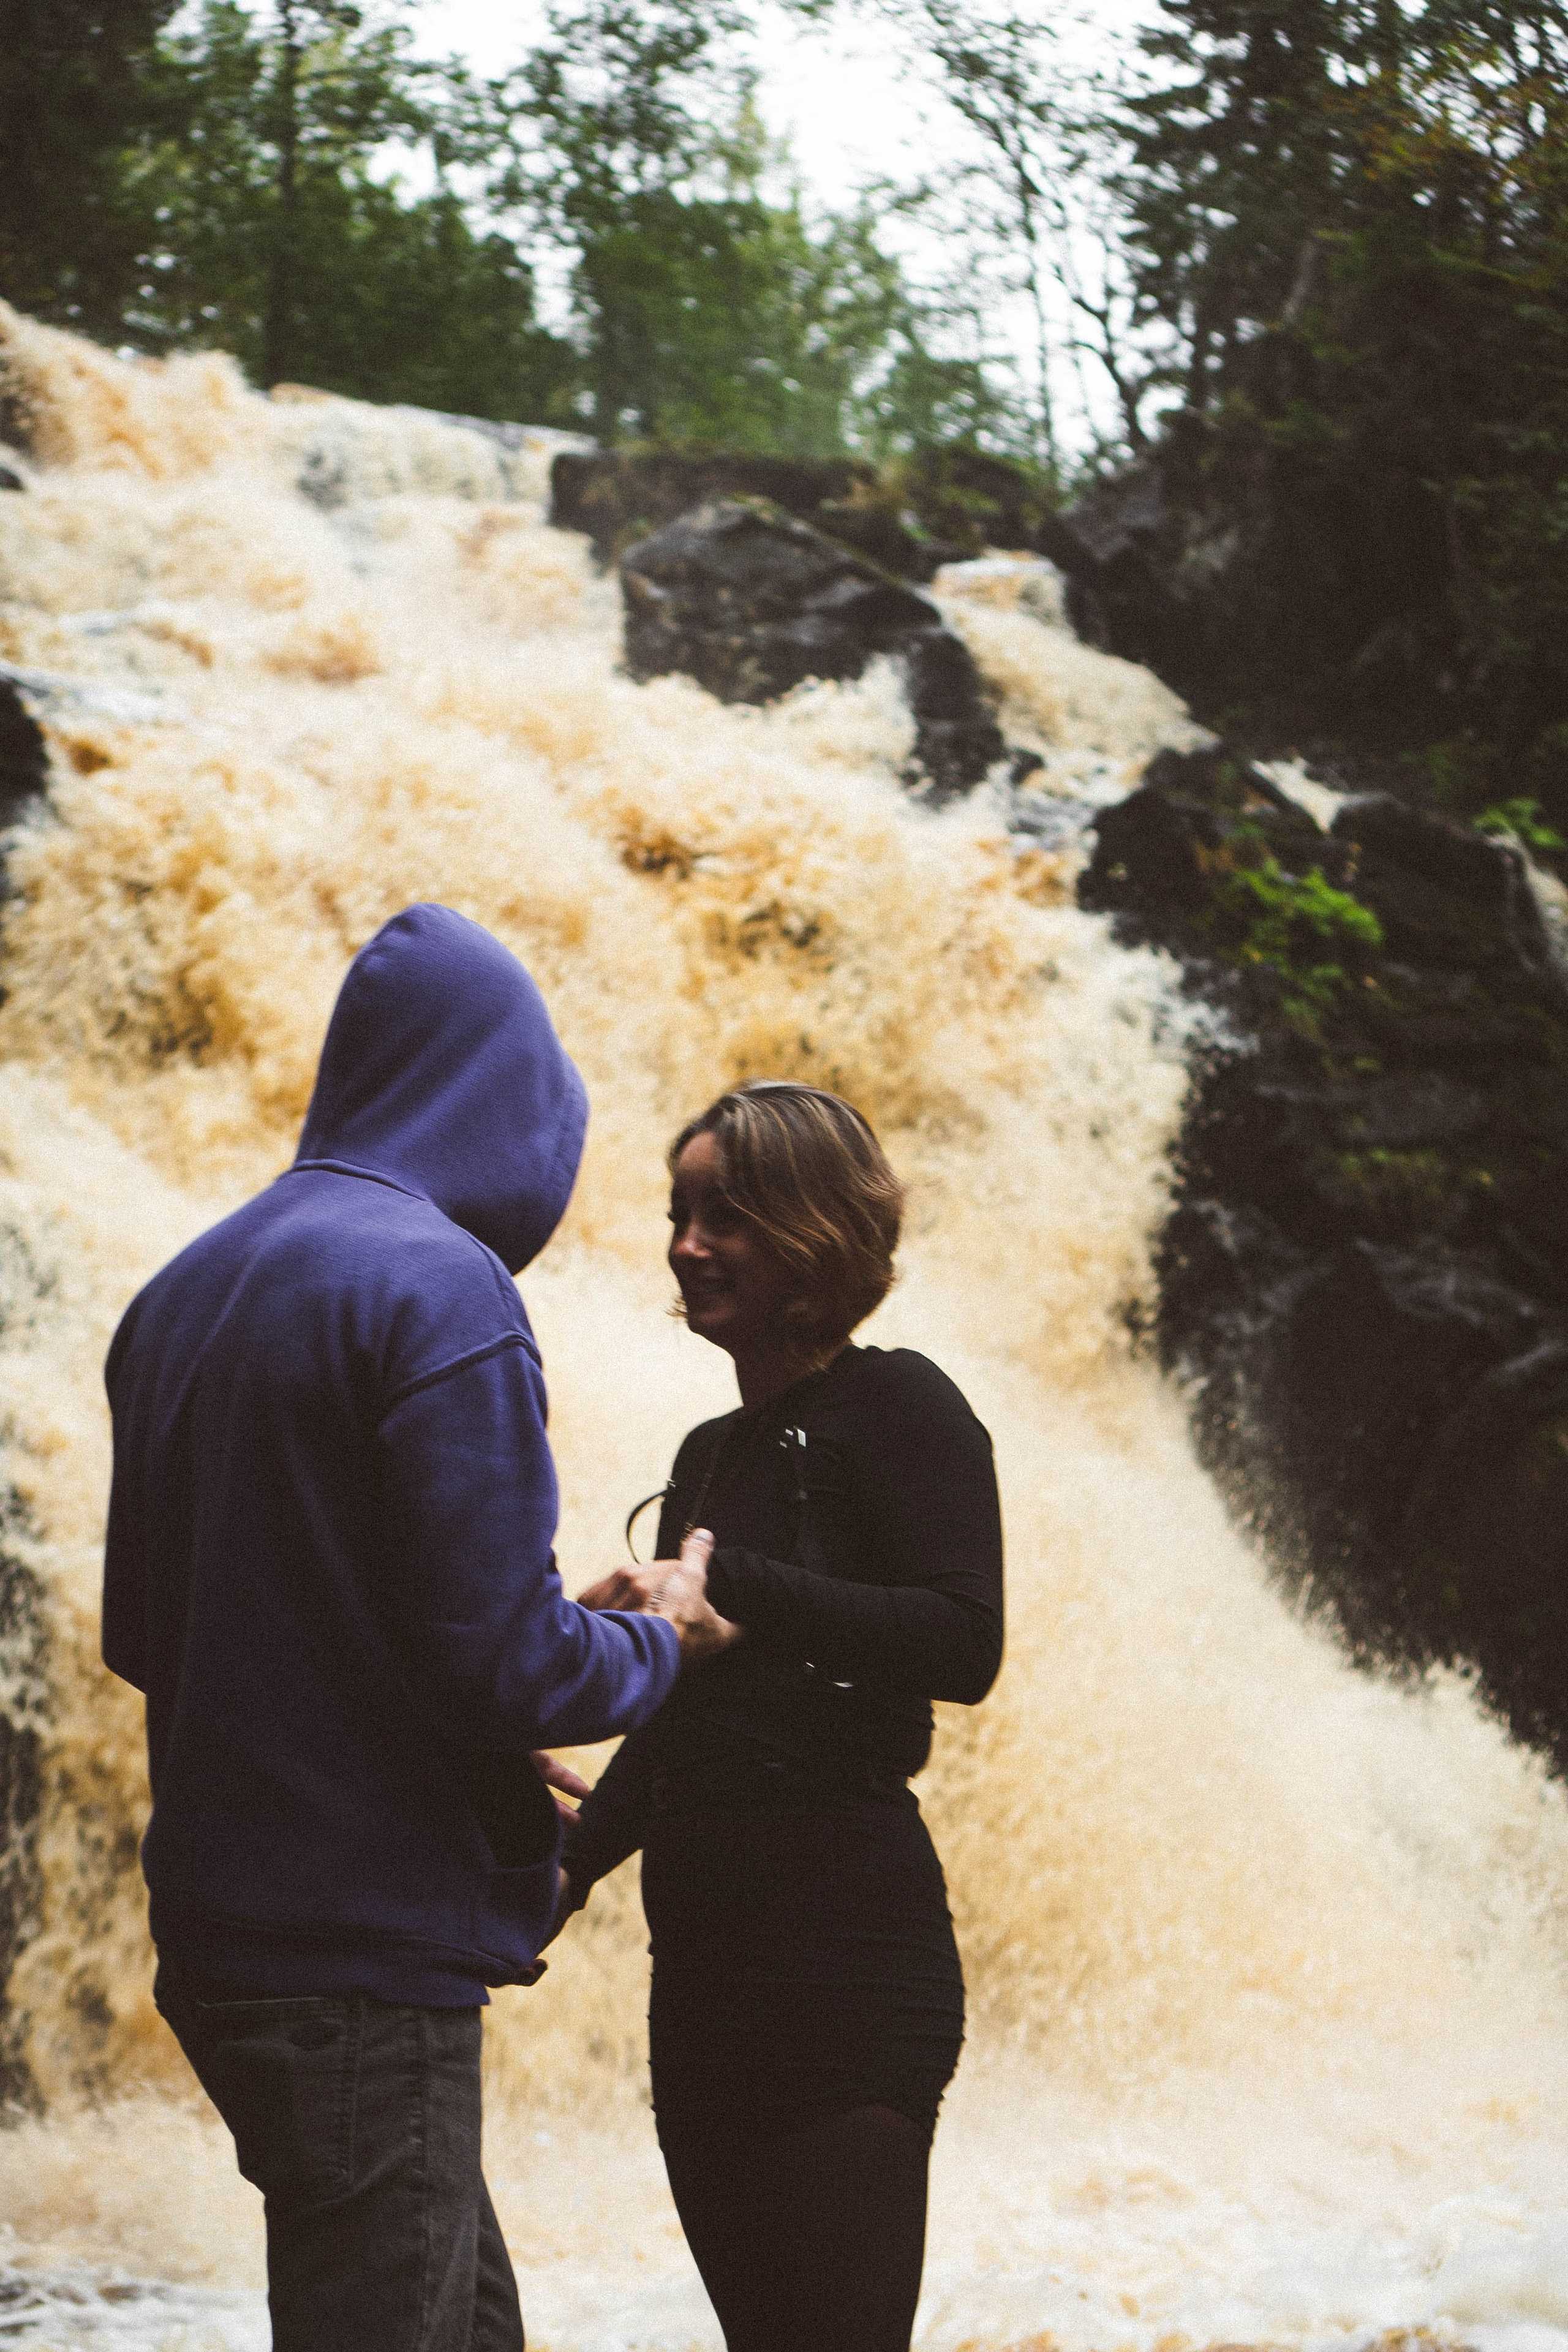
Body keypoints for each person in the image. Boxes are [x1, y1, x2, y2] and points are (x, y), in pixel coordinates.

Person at [101, 904, 727, 2352]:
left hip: (225, 1935)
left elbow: (165, 1633)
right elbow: (501, 1668)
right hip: (359, 1952)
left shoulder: (185, 1288)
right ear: (506, 1101)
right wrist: (661, 1640)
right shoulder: (439, 1287)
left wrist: (484, 1678)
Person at [563, 1080, 1005, 2352]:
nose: (687, 1245)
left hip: (843, 1952)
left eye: (726, 1218)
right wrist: (568, 1865)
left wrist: (736, 1589)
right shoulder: (708, 1451)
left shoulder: (902, 1404)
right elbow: (692, 1720)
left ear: (813, 1231)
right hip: (702, 1971)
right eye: (679, 1213)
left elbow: (961, 1641)